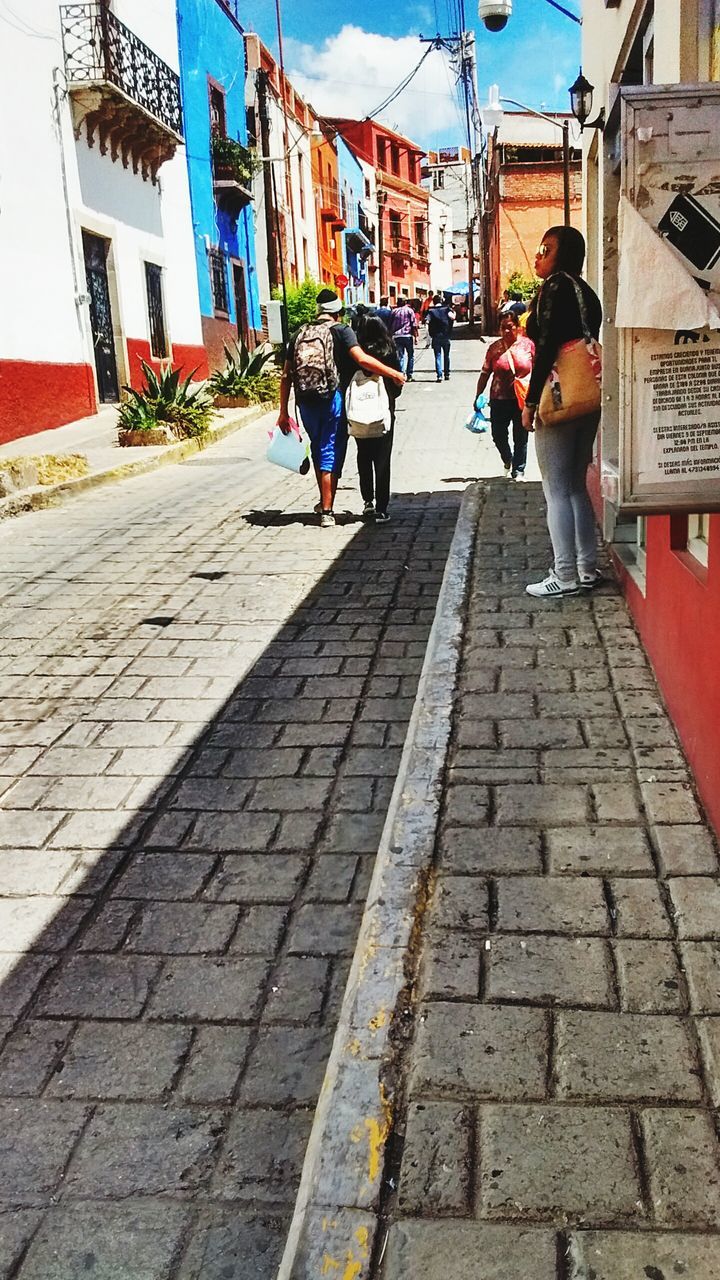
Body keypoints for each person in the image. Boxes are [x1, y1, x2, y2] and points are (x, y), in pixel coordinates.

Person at [522, 225, 603, 597]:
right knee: (575, 487)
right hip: (588, 394)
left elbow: (546, 347)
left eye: (546, 248)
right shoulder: (586, 291)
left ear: (563, 254)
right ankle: (587, 568)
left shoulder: (555, 287)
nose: (539, 255)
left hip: (559, 395)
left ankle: (564, 574)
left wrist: (530, 401)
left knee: (556, 489)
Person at [278, 289, 405, 528]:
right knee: (330, 450)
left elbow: (285, 376)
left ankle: (324, 500)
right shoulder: (342, 331)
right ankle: (327, 509)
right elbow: (362, 360)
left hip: (305, 400)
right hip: (333, 399)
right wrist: (393, 373)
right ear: (338, 313)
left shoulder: (299, 334)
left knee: (318, 448)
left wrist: (283, 411)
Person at [353, 313, 402, 523]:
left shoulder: (356, 354)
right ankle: (382, 508)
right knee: (382, 460)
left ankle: (368, 502)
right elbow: (397, 387)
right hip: (384, 413)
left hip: (359, 413)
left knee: (363, 456)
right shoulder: (389, 352)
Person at [476, 312, 534, 480]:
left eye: (510, 327)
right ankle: (507, 458)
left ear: (518, 327)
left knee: (521, 436)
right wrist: (478, 395)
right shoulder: (494, 349)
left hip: (521, 399)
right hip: (498, 399)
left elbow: (538, 370)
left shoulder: (528, 346)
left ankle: (519, 470)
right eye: (503, 328)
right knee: (498, 435)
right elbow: (485, 372)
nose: (507, 331)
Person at [427, 293, 455, 382]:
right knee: (446, 356)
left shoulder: (431, 311)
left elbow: (427, 321)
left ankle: (439, 375)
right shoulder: (446, 309)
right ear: (441, 301)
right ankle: (447, 374)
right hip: (446, 336)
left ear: (434, 302)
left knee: (437, 356)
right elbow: (453, 317)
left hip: (436, 337)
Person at [390, 297, 418, 380]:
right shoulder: (409, 311)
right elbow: (414, 325)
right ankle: (409, 374)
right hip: (407, 336)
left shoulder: (394, 312)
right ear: (405, 302)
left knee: (400, 356)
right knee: (410, 355)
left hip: (396, 336)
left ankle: (401, 374)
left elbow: (390, 325)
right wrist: (416, 337)